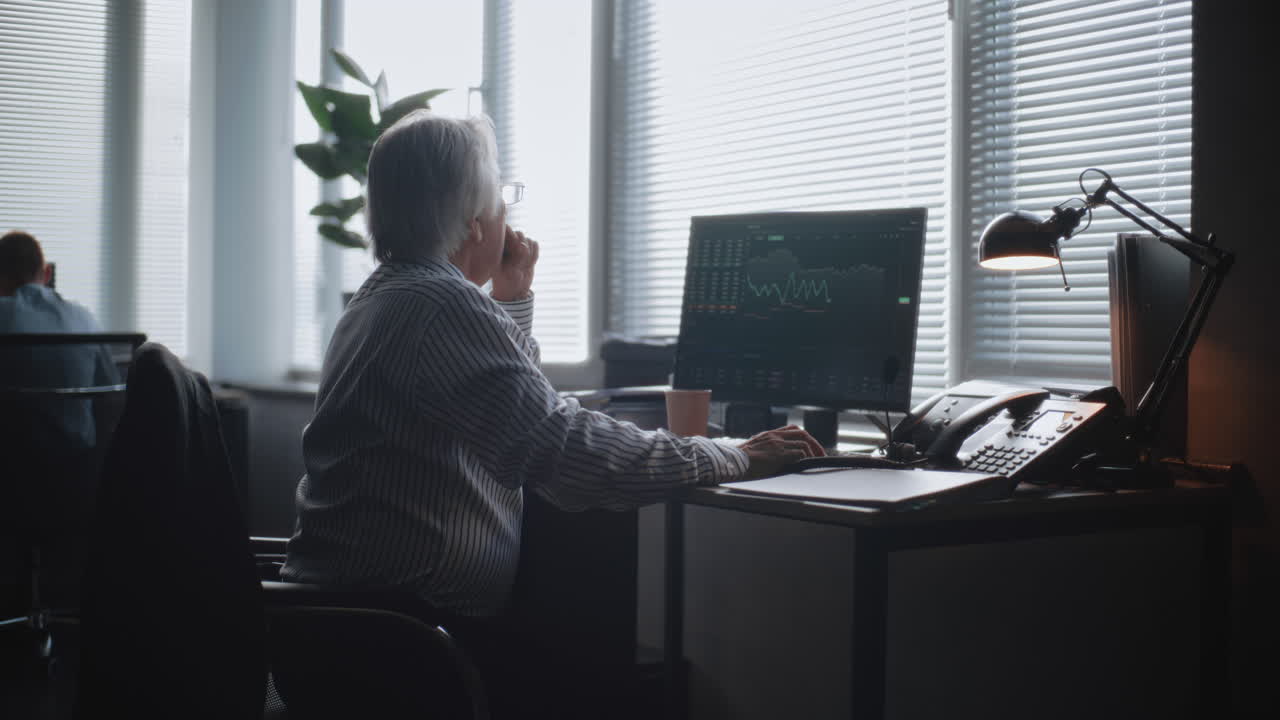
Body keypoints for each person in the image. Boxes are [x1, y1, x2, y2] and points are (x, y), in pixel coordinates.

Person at [279, 111, 823, 715]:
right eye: (501, 197)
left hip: (348, 631)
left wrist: (508, 301)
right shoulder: (438, 303)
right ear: (474, 218)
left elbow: (495, 408)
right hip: (404, 646)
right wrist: (733, 454)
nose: (507, 216)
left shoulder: (384, 296)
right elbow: (564, 452)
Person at [0, 230, 119, 450]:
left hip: (11, 463)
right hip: (78, 462)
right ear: (46, 274)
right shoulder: (85, 318)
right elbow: (110, 389)